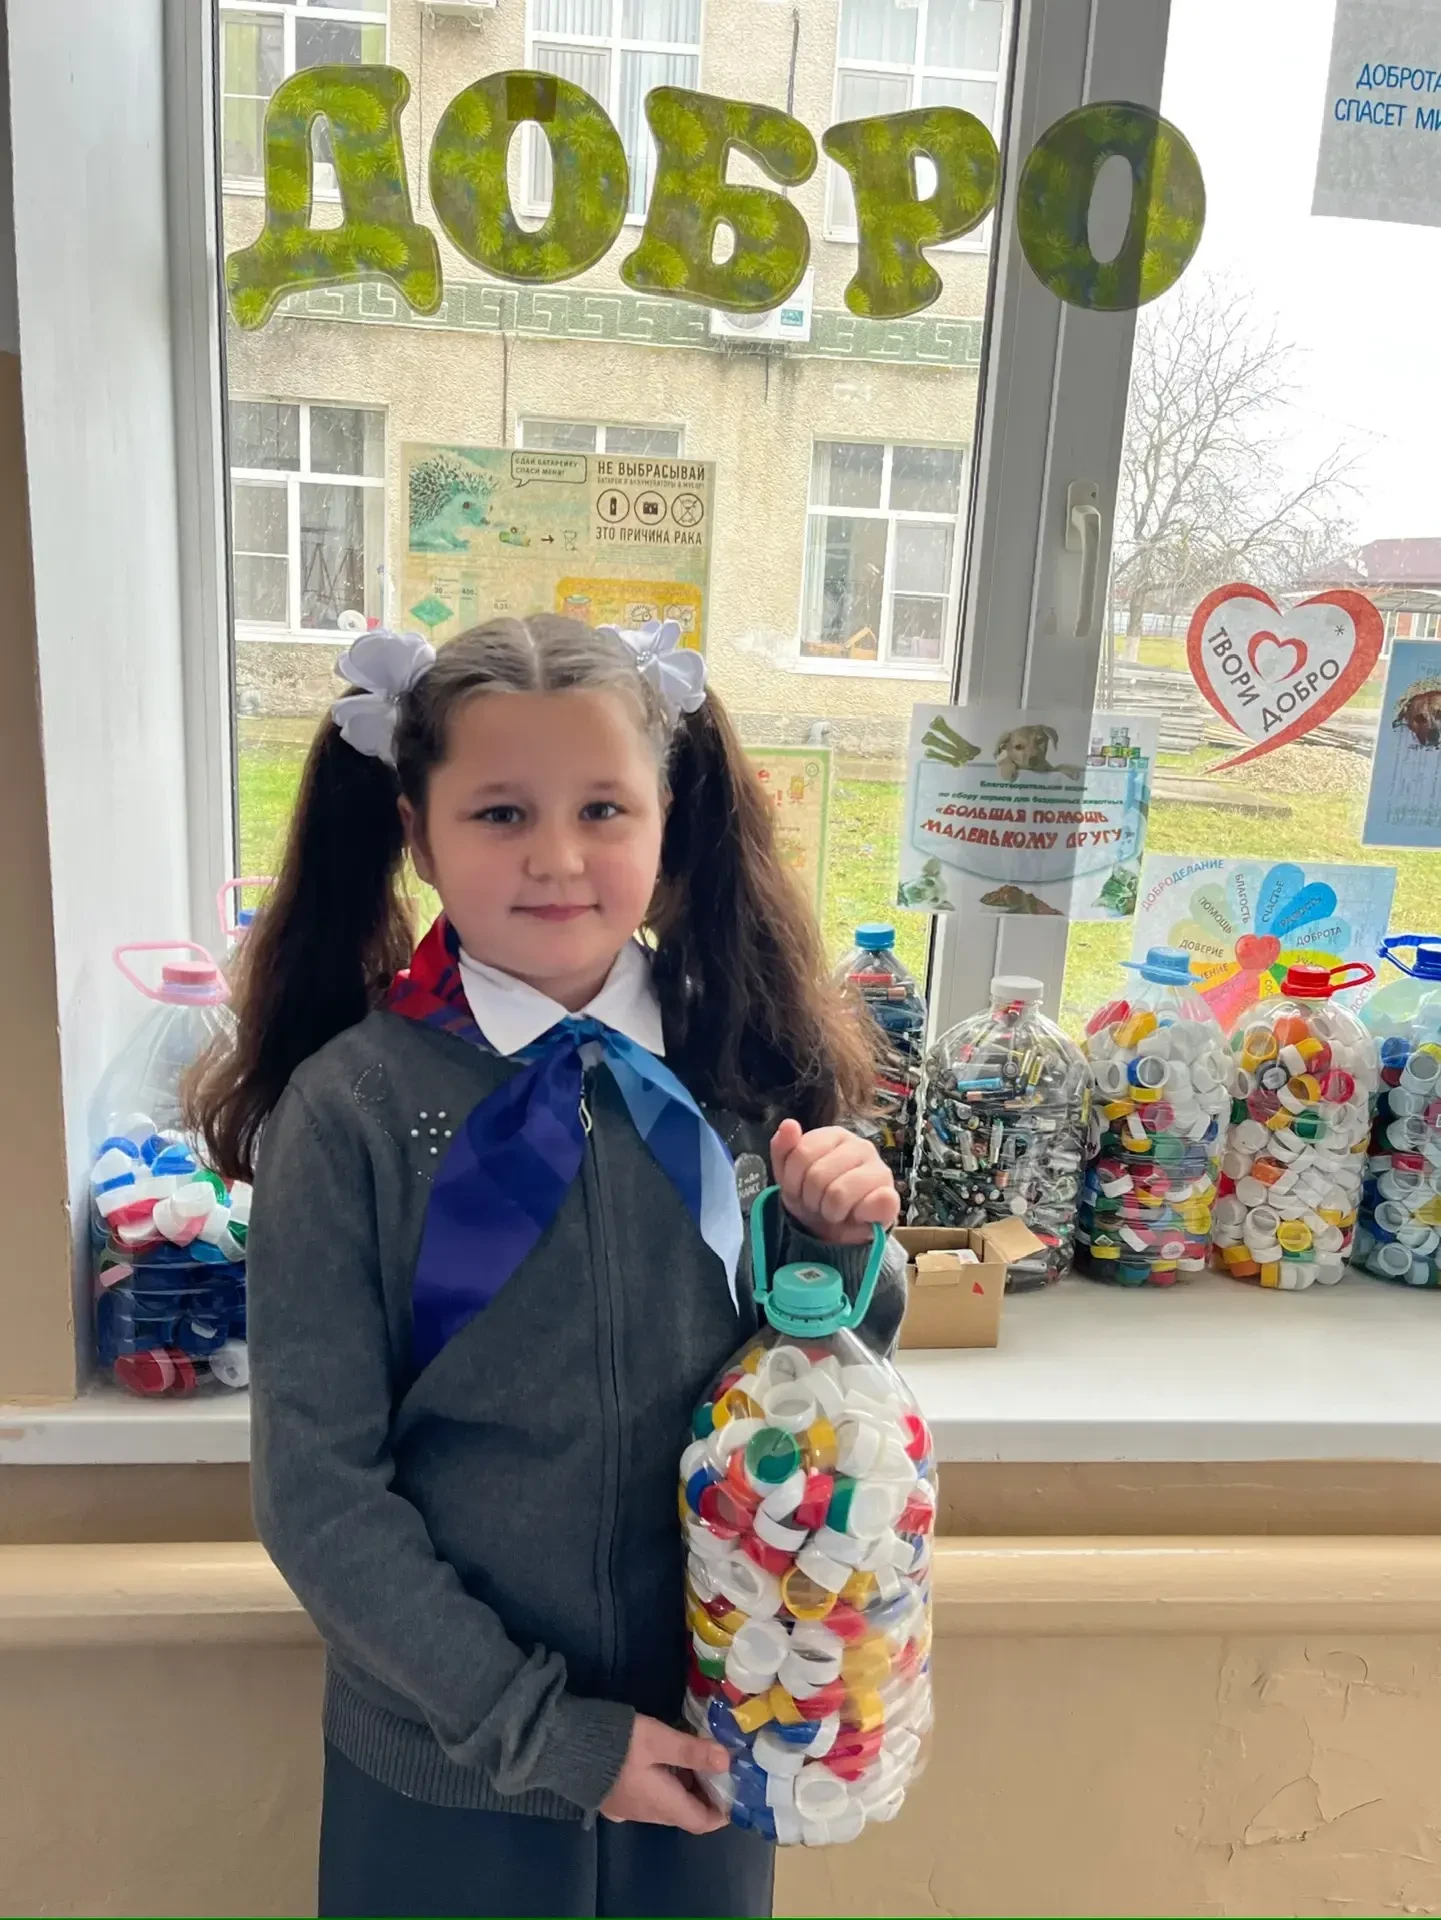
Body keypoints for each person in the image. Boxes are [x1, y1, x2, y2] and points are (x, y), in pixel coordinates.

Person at [191, 614, 907, 1920]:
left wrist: (841, 1241)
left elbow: (816, 1385)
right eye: (502, 813)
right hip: (448, 1776)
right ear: (417, 834)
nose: (559, 857)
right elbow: (320, 1496)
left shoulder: (743, 1065)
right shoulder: (352, 1113)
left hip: (720, 1729)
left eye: (602, 809)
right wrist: (552, 1738)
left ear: (668, 820)